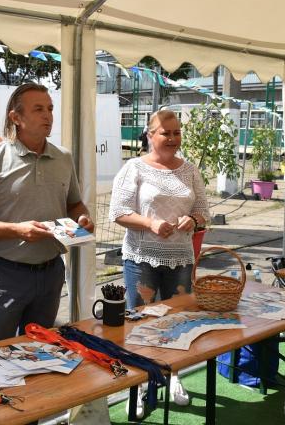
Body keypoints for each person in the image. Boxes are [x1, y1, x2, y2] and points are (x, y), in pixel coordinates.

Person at [0, 82, 94, 344]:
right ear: (16, 118)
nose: (48, 115)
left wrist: (82, 219)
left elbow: (75, 204)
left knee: (41, 354)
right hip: (5, 274)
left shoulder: (63, 158)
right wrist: (17, 230)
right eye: (38, 109)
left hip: (51, 272)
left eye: (50, 108)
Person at [109, 109, 210, 409]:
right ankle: (139, 386)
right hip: (142, 259)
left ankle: (174, 373)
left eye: (176, 132)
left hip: (181, 258)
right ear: (150, 135)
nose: (172, 138)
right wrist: (150, 224)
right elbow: (118, 212)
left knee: (178, 323)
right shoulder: (134, 168)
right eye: (165, 132)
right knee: (140, 324)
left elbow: (205, 211)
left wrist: (193, 219)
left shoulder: (190, 170)